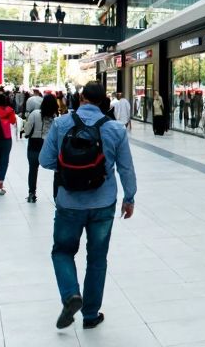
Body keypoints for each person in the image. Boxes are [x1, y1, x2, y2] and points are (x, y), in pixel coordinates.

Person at [40, 82, 137, 330]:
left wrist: (69, 170)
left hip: (69, 202)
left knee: (62, 251)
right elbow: (126, 167)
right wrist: (129, 198)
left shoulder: (62, 123)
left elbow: (45, 160)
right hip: (103, 203)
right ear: (104, 100)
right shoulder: (115, 128)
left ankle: (71, 294)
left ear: (81, 97)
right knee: (97, 259)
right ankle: (91, 314)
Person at [24, 94, 59, 203]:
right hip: (50, 146)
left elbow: (27, 130)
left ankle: (32, 193)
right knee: (57, 170)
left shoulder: (34, 114)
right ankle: (56, 195)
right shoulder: (57, 118)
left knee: (33, 169)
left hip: (34, 144)